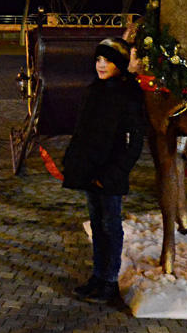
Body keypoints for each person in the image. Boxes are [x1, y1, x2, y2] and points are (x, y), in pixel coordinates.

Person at [60, 37, 145, 306]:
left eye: (107, 60)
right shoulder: (94, 90)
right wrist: (73, 161)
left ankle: (109, 280)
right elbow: (82, 132)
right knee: (97, 225)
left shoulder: (129, 95)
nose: (101, 65)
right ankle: (98, 276)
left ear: (119, 64)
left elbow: (132, 144)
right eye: (98, 60)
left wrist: (111, 173)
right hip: (90, 170)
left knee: (111, 225)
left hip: (110, 174)